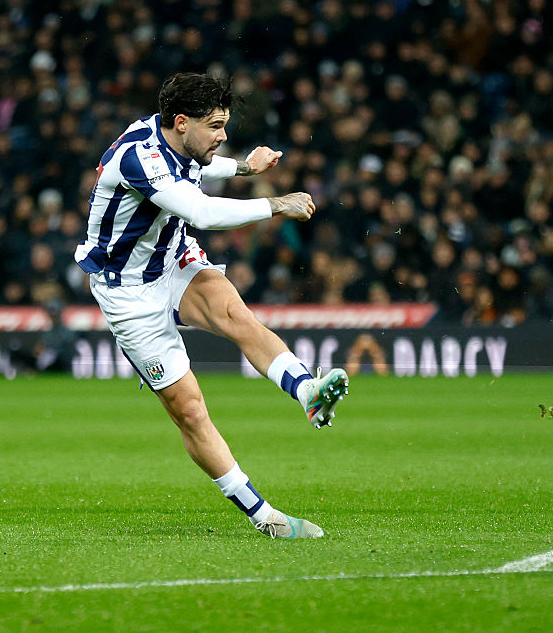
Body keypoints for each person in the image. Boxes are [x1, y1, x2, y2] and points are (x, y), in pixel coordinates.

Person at [74, 73, 349, 539]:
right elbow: (201, 211)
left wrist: (243, 167)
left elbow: (202, 165)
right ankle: (265, 516)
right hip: (128, 292)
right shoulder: (140, 157)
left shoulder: (174, 139)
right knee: (190, 410)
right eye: (216, 126)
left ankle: (308, 393)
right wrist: (275, 203)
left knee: (236, 316)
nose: (222, 136)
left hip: (172, 257)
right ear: (182, 122)